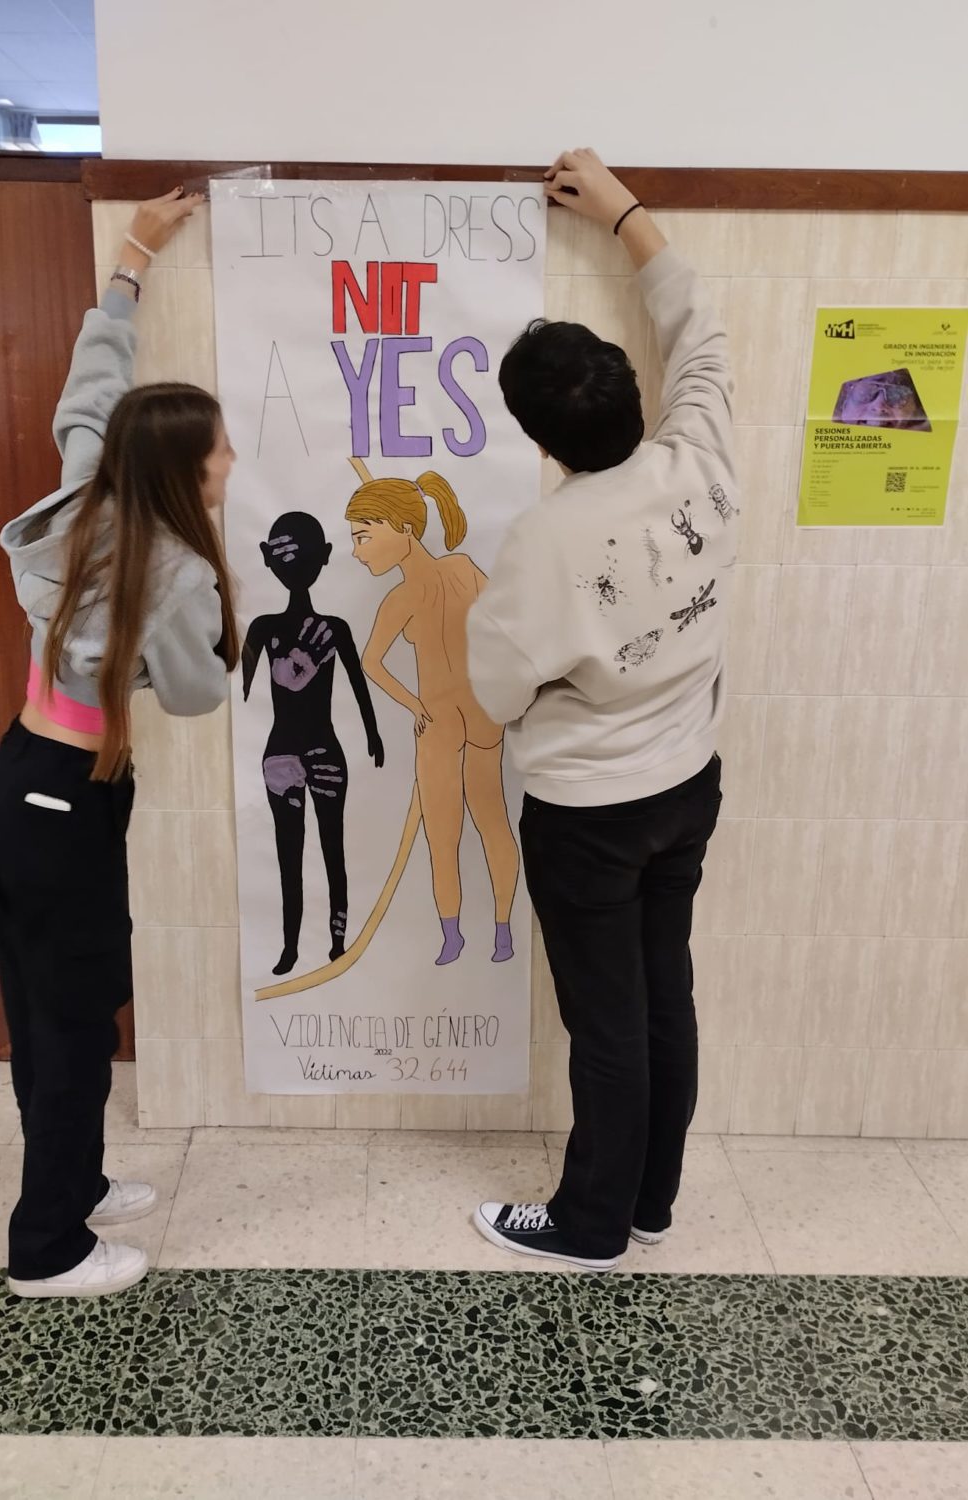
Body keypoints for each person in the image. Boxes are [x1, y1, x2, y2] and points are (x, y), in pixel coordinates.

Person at [467, 149, 737, 1271]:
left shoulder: (542, 541)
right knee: (664, 995)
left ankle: (588, 1227)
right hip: (688, 785)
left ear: (539, 442)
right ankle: (650, 1202)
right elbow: (701, 335)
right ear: (634, 394)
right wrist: (625, 213)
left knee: (608, 1025)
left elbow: (493, 693)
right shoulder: (699, 452)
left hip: (588, 815)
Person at [0, 189, 238, 1299]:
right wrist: (208, 644)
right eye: (219, 452)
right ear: (185, 471)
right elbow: (197, 695)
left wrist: (130, 262)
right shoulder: (172, 570)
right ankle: (48, 1247)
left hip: (15, 785)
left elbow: (90, 391)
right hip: (63, 804)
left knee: (47, 1009)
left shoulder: (89, 485)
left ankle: (73, 1181)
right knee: (74, 1024)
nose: (231, 460)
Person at [345, 470, 520, 966]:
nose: (357, 551)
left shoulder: (433, 583)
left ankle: (483, 933)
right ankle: (476, 934)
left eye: (364, 537)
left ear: (403, 528)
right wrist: (417, 703)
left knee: (471, 829)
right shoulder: (431, 584)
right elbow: (371, 662)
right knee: (466, 829)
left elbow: (372, 662)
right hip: (457, 719)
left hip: (461, 720)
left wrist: (421, 702)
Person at [243, 512, 384, 976]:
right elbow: (242, 689)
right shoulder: (276, 628)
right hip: (306, 751)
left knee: (313, 850)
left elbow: (359, 686)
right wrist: (372, 734)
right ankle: (315, 945)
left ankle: (314, 945)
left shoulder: (278, 629)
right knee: (317, 849)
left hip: (293, 751)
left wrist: (374, 733)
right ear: (325, 557)